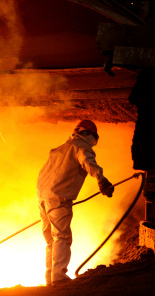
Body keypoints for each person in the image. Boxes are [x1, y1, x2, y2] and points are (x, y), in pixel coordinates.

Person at [36, 120, 114, 286]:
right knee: (62, 237)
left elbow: (43, 174)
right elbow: (87, 161)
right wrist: (101, 178)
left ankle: (50, 278)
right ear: (88, 134)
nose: (93, 143)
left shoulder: (59, 149)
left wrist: (44, 199)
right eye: (93, 138)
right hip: (58, 199)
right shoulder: (80, 146)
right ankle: (59, 278)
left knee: (51, 240)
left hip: (43, 198)